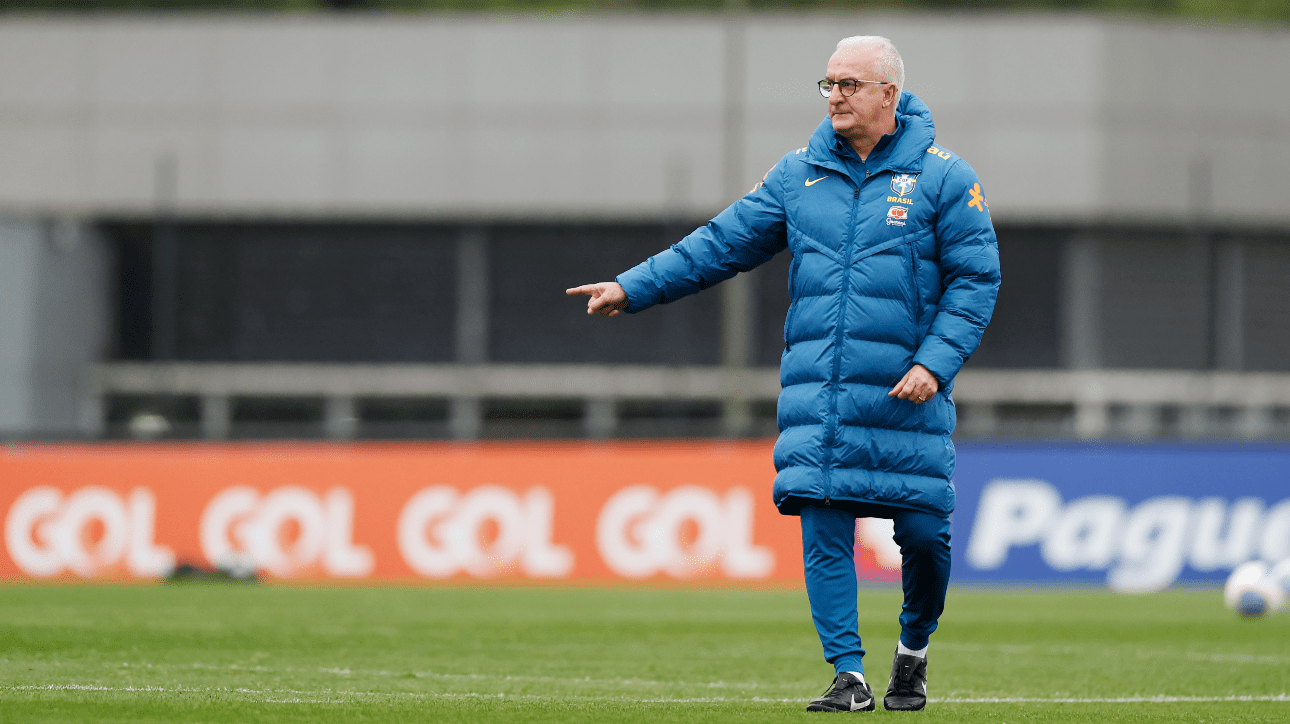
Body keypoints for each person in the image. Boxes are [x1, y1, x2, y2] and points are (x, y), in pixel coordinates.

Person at [567, 35, 999, 713]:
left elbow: (976, 283)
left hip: (906, 395)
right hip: (820, 396)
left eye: (849, 84)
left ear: (889, 93)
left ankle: (913, 650)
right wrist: (632, 286)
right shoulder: (797, 175)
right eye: (827, 84)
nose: (835, 96)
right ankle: (849, 675)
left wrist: (933, 364)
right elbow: (719, 243)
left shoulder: (945, 178)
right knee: (822, 523)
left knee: (923, 537)